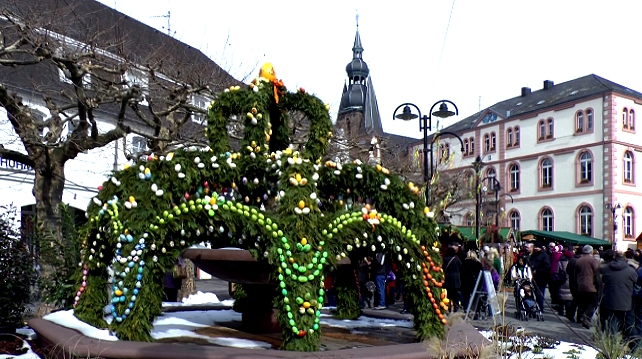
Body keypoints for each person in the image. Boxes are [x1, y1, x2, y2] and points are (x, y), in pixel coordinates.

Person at [599, 251, 637, 335]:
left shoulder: (606, 269)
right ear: (624, 258)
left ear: (614, 257)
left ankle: (612, 343)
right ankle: (634, 345)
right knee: (629, 324)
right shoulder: (631, 271)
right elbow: (636, 284)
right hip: (627, 301)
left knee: (612, 322)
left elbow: (603, 281)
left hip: (610, 299)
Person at [575, 244, 601, 328]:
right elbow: (597, 273)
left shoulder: (579, 260)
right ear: (591, 251)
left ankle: (580, 317)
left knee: (582, 302)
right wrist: (598, 285)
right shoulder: (593, 261)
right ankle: (587, 318)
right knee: (592, 303)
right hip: (591, 285)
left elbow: (576, 273)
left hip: (581, 284)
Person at [528, 242, 551, 313]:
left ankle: (540, 310)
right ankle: (531, 309)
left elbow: (547, 267)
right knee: (530, 295)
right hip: (533, 278)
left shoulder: (544, 256)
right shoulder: (534, 255)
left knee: (539, 296)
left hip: (541, 279)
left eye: (536, 247)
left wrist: (537, 270)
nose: (535, 249)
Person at [443, 247, 463, 312]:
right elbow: (461, 267)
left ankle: (449, 307)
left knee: (449, 293)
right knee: (456, 293)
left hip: (448, 278)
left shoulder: (444, 259)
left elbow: (443, 268)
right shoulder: (457, 259)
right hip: (456, 279)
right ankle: (456, 306)